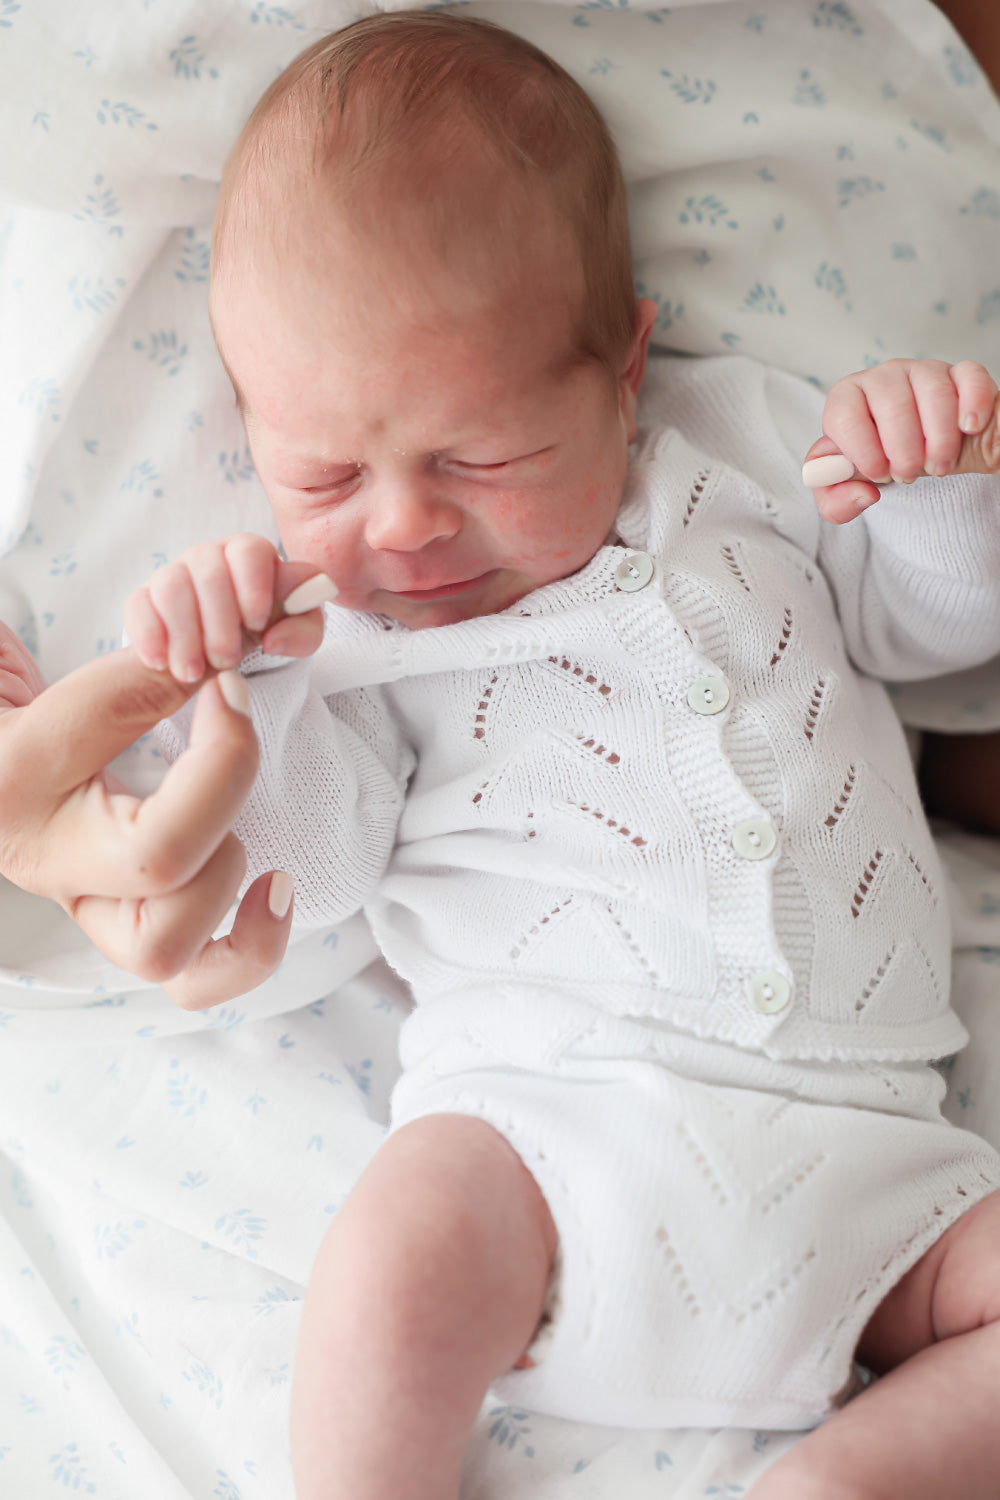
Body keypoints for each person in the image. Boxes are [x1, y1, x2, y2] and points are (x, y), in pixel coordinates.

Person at [92, 11, 1000, 1499]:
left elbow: (932, 636)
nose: (400, 525)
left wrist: (937, 490)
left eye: (479, 458)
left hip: (878, 1162)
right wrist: (245, 705)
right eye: (321, 474)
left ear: (624, 364)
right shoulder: (334, 638)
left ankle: (844, 1482)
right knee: (393, 1258)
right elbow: (313, 883)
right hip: (541, 1135)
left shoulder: (753, 449)